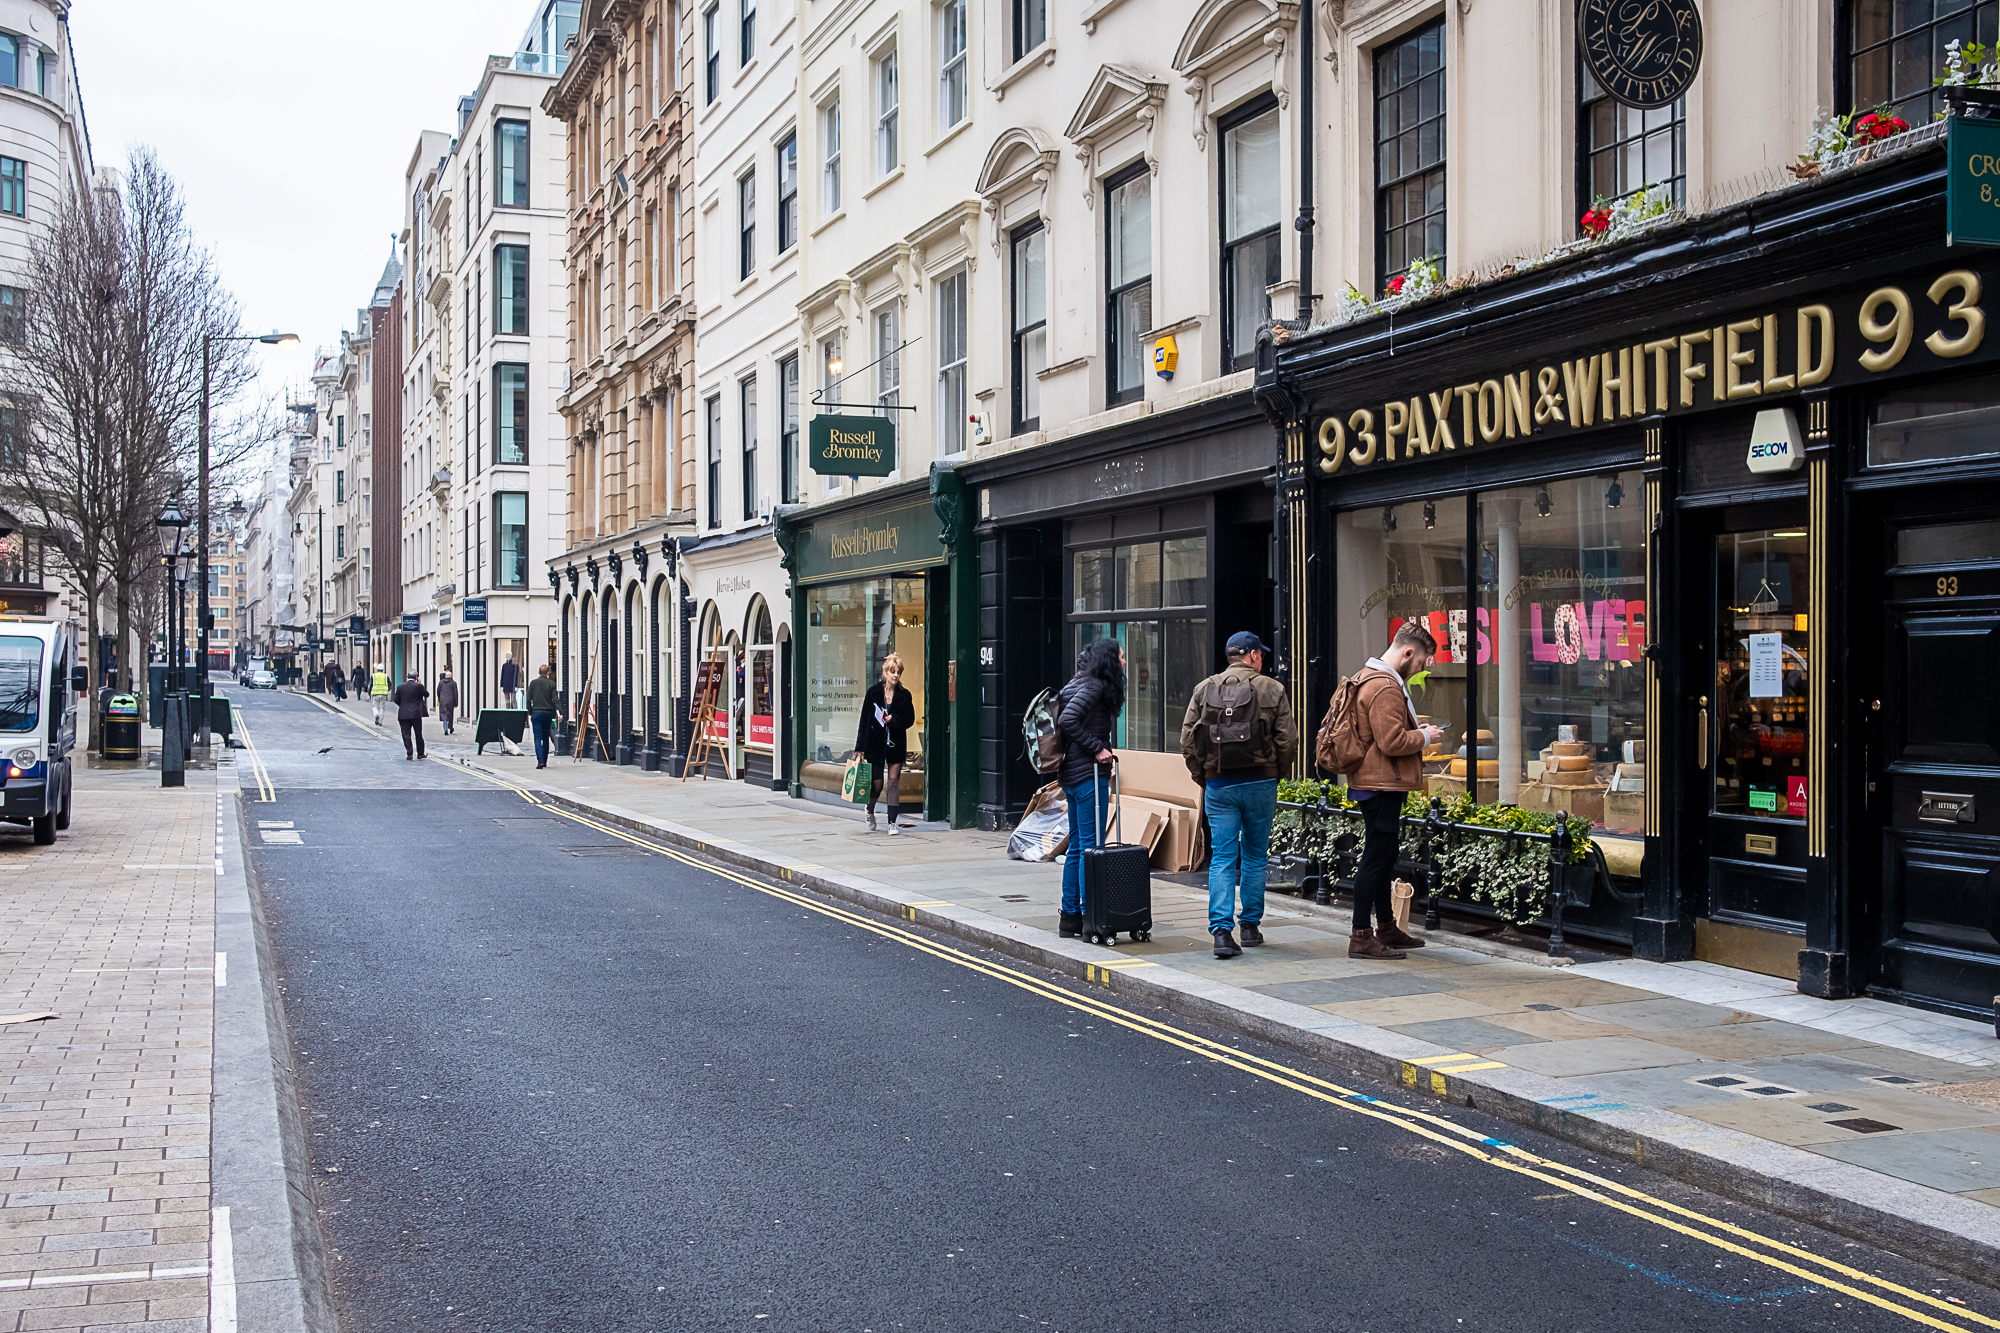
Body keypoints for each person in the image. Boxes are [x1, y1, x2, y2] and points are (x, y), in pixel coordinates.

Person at [1181, 631, 1298, 959]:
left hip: (1220, 784)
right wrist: (1276, 772)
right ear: (1251, 655)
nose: (1262, 658)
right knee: (1255, 855)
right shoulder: (1272, 689)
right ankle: (1249, 927)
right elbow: (1288, 740)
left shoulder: (1204, 689)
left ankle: (1221, 932)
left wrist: (1203, 775)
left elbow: (1187, 740)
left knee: (1222, 856)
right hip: (1261, 782)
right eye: (1260, 653)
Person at [1343, 621, 1442, 960]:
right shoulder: (1385, 686)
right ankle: (1361, 936)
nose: (1419, 670)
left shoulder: (1370, 676)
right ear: (1408, 651)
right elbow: (1392, 740)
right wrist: (1426, 736)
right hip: (1381, 784)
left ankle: (1385, 926)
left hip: (1376, 782)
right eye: (1420, 662)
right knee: (1375, 857)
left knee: (1384, 855)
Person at [1054, 638, 1125, 939]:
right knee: (1090, 849)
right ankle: (1089, 916)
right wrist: (1098, 748)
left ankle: (1069, 916)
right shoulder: (1095, 686)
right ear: (1109, 660)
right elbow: (1068, 720)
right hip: (1087, 776)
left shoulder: (1075, 683)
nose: (1124, 661)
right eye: (1121, 657)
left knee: (1076, 848)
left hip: (1071, 777)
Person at [855, 654, 916, 834]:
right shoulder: (873, 692)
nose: (895, 675)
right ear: (885, 673)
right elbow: (864, 720)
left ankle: (891, 822)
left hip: (895, 743)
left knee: (894, 782)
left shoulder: (905, 695)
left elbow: (909, 719)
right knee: (877, 784)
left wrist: (894, 719)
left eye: (898, 672)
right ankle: (870, 810)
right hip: (875, 743)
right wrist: (859, 747)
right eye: (892, 672)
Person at [525, 663, 561, 768]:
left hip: (536, 713)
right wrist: (560, 711)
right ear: (548, 673)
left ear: (538, 672)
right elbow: (555, 700)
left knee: (537, 738)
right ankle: (544, 761)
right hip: (548, 714)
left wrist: (530, 712)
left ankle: (540, 760)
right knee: (546, 737)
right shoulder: (551, 684)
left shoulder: (533, 683)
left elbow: (528, 700)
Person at [393, 671, 430, 760]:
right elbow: (427, 694)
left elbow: (396, 700)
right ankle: (420, 753)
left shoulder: (400, 687)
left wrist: (403, 706)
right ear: (416, 677)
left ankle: (409, 753)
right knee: (418, 734)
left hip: (404, 714)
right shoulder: (419, 686)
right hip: (416, 714)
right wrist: (420, 684)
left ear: (407, 676)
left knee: (406, 734)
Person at [436, 669, 459, 735]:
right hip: (451, 701)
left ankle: (445, 729)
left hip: (443, 700)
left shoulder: (441, 683)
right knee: (450, 714)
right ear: (451, 676)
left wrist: (440, 699)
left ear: (445, 676)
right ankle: (450, 727)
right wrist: (456, 703)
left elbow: (438, 691)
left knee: (444, 715)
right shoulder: (453, 683)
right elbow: (455, 694)